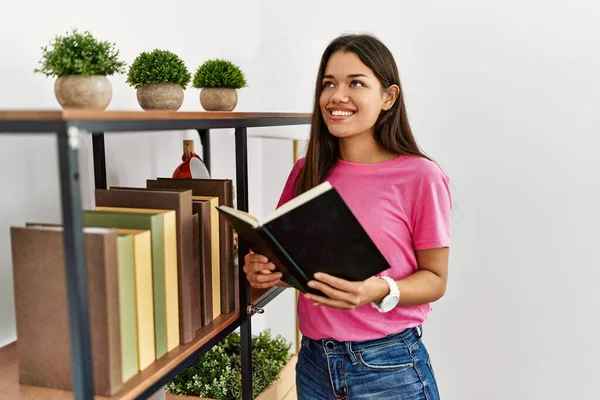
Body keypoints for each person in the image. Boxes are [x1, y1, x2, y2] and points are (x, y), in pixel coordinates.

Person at [243, 33, 452, 400]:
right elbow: (293, 264)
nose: (337, 96)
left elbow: (435, 279)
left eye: (356, 82)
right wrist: (264, 271)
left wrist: (376, 289)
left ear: (388, 97)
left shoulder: (421, 176)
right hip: (313, 364)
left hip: (388, 369)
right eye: (328, 84)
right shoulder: (306, 171)